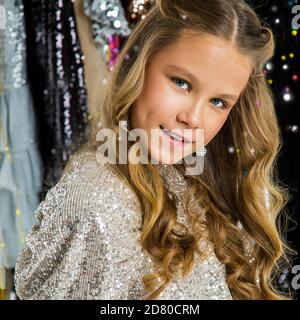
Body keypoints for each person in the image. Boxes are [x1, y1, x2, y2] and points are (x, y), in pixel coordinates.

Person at [14, 0, 296, 300]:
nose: (194, 118)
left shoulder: (193, 178)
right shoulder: (95, 203)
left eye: (218, 102)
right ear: (139, 64)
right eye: (181, 83)